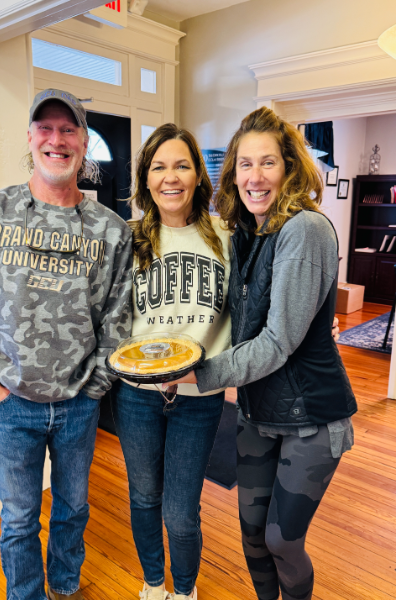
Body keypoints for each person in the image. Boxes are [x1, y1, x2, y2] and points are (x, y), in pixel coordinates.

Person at [0, 89, 132, 600]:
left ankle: (66, 589)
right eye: (45, 129)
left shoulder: (111, 231)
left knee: (73, 509)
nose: (56, 140)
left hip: (78, 405)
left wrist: (95, 386)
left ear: (83, 142)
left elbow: (118, 318)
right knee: (21, 518)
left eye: (68, 130)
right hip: (10, 404)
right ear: (30, 139)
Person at [169, 107, 357, 600]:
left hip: (312, 417)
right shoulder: (249, 234)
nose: (255, 176)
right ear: (232, 172)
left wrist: (195, 374)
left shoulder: (304, 230)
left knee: (280, 540)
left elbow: (278, 341)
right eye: (245, 164)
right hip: (257, 412)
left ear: (290, 168)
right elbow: (235, 317)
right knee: (252, 536)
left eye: (268, 163)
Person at [111, 123, 232, 600]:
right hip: (136, 397)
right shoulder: (128, 238)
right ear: (145, 180)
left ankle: (184, 591)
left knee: (182, 512)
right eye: (159, 167)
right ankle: (153, 583)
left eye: (182, 165)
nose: (171, 177)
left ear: (199, 176)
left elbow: (257, 300)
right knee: (143, 497)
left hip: (200, 394)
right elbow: (105, 311)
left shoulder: (227, 236)